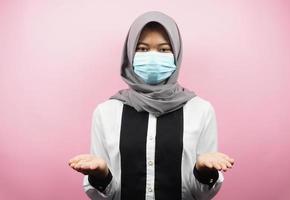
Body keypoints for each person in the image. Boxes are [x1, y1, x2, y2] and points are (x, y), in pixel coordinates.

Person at [68, 11, 234, 200]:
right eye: (143, 49)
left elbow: (200, 194)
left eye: (164, 49)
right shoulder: (106, 112)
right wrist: (101, 175)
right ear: (130, 54)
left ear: (176, 54)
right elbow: (107, 195)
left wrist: (203, 172)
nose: (153, 57)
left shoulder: (201, 110)